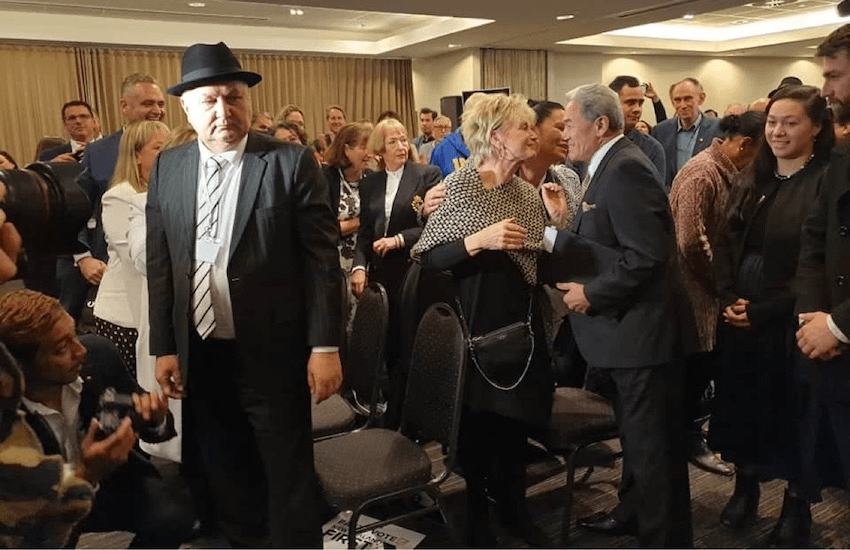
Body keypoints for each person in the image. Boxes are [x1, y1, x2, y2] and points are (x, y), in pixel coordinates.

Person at [147, 42, 343, 548]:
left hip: (273, 351)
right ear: (186, 108)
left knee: (286, 473)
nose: (224, 111)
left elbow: (321, 262)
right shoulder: (169, 167)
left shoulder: (289, 162)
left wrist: (325, 346)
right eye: (209, 100)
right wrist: (164, 346)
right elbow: (162, 266)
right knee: (225, 470)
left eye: (233, 97)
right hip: (201, 353)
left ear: (248, 100)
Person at [413, 92, 566, 548]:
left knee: (515, 426)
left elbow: (540, 264)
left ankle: (514, 509)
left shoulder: (526, 193)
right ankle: (478, 517)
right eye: (524, 127)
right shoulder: (461, 186)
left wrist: (557, 224)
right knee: (478, 430)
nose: (533, 134)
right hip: (476, 325)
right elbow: (429, 256)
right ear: (495, 137)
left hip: (523, 324)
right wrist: (479, 240)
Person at [556, 84, 692, 547]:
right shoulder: (606, 165)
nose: (563, 134)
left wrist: (592, 295)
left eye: (569, 124)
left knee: (654, 453)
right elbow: (610, 242)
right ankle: (632, 515)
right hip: (627, 336)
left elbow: (647, 255)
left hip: (643, 339)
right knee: (638, 445)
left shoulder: (626, 168)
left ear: (600, 124)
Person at [711, 85, 833, 547]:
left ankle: (796, 508)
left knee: (792, 416)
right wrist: (727, 294)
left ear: (815, 127)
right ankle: (744, 489)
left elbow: (819, 265)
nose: (778, 132)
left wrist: (764, 310)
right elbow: (724, 240)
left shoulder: (826, 181)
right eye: (772, 122)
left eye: (791, 123)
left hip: (792, 318)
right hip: (740, 310)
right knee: (743, 405)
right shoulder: (754, 175)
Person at [0, 289, 196, 548]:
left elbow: (154, 430)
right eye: (61, 348)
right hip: (43, 505)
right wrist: (88, 473)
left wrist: (155, 418)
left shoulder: (98, 355)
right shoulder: (7, 418)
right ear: (20, 367)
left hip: (112, 483)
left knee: (174, 515)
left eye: (74, 335)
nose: (80, 350)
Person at [669, 111, 765, 478]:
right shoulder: (702, 173)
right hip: (695, 295)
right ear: (745, 145)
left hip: (709, 294)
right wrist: (723, 284)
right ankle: (683, 442)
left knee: (702, 372)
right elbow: (691, 241)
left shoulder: (727, 172)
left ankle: (689, 436)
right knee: (692, 374)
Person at [794, 22, 850, 547]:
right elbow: (815, 238)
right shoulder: (843, 154)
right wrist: (815, 318)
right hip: (835, 355)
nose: (826, 89)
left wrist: (837, 325)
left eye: (834, 75)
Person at [63, 74, 166, 323]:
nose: (156, 110)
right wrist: (83, 257)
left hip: (162, 268)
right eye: (148, 103)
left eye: (161, 103)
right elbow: (75, 207)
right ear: (124, 106)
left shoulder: (175, 143)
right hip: (111, 269)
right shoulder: (99, 151)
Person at [93, 120, 168, 378]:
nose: (167, 154)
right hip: (125, 316)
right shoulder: (119, 196)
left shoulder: (164, 190)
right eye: (158, 148)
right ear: (136, 155)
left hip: (153, 315)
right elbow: (140, 260)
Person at [322, 123, 373, 323]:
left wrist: (348, 225)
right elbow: (324, 229)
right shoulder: (326, 177)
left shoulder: (371, 178)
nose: (369, 153)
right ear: (346, 149)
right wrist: (361, 222)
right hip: (333, 262)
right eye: (363, 146)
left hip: (363, 260)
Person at [652, 77, 723, 189]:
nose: (683, 105)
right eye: (677, 100)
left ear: (701, 98)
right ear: (672, 103)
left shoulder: (719, 129)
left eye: (688, 99)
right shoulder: (660, 131)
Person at [608, 75, 666, 180]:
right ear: (611, 104)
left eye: (640, 103)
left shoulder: (651, 149)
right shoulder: (589, 144)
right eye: (630, 103)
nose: (637, 109)